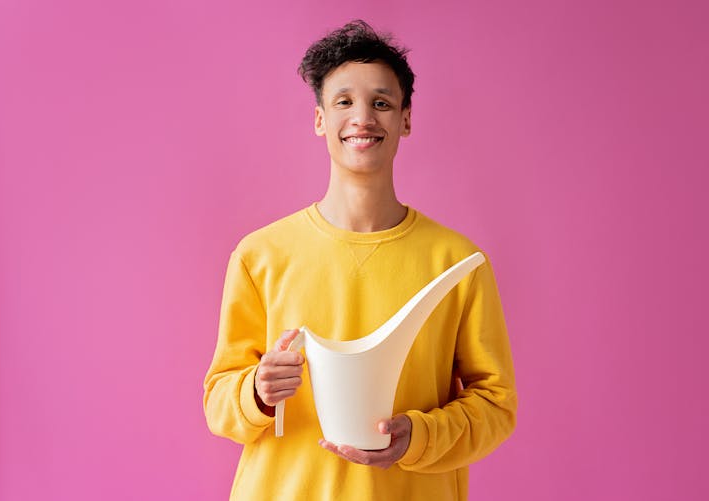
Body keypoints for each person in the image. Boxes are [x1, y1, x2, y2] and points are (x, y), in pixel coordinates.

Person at [203, 19, 518, 500]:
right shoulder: (260, 255)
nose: (363, 118)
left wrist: (421, 435)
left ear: (406, 119)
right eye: (343, 101)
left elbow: (496, 405)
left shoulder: (458, 263)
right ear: (319, 120)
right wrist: (258, 392)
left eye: (382, 103)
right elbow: (218, 403)